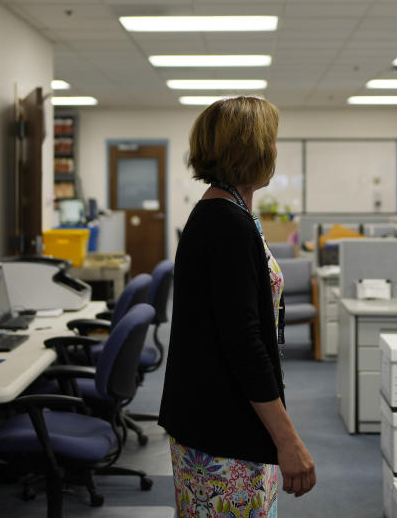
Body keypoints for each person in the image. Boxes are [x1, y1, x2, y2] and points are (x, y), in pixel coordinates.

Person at [159, 96, 315, 517]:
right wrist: (288, 440)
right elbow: (243, 343)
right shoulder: (226, 224)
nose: (277, 151)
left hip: (217, 414)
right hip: (221, 424)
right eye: (272, 141)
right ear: (253, 150)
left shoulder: (228, 213)